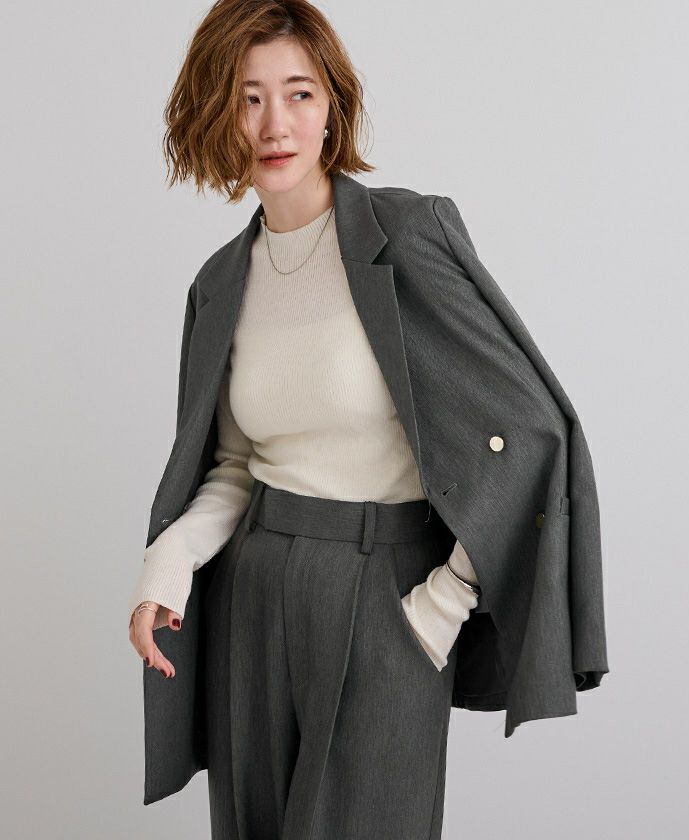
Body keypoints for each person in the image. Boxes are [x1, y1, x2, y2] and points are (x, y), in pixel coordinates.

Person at [127, 1, 607, 837]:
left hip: (386, 591)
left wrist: (442, 606)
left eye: (299, 93)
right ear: (216, 113)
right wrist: (165, 565)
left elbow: (532, 433)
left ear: (332, 108)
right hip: (253, 593)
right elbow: (233, 466)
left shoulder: (406, 235)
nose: (275, 124)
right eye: (247, 98)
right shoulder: (219, 284)